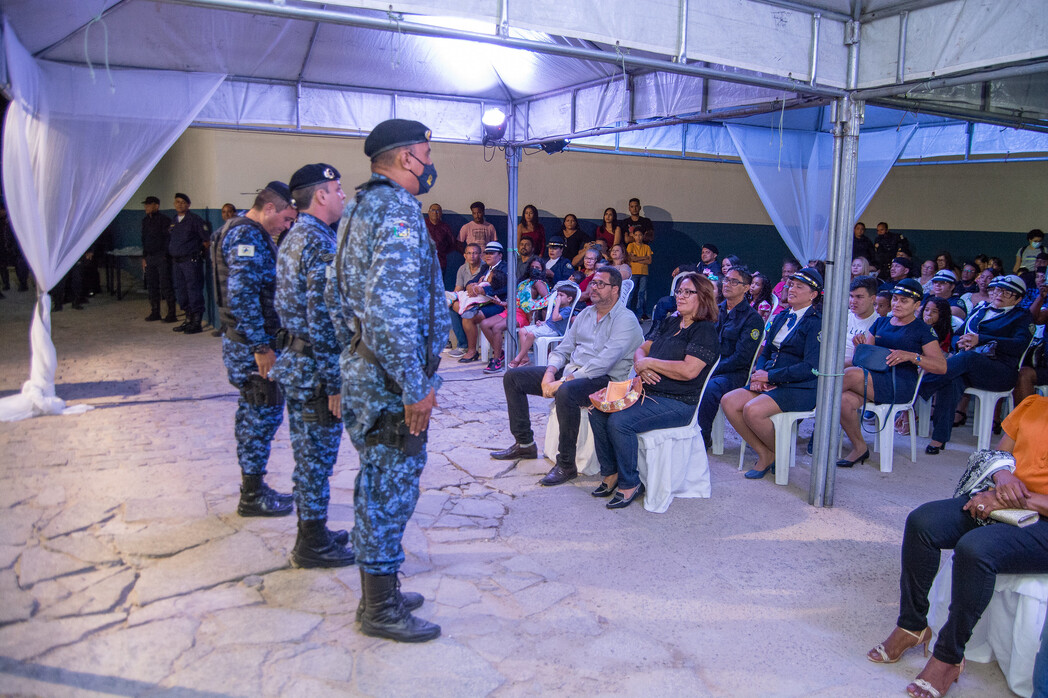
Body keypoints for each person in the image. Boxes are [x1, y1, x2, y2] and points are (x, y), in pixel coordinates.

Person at [333, 118, 447, 642]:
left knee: (377, 482)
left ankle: (380, 589)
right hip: (387, 378)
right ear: (406, 158)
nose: (429, 164)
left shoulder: (357, 206)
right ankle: (379, 608)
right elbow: (388, 307)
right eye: (425, 153)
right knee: (389, 487)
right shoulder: (398, 209)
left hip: (364, 366)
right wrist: (413, 384)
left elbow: (340, 298)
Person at [865, 394, 1048, 698]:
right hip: (1004, 502)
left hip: (1039, 519)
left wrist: (1012, 499)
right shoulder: (1033, 405)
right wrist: (1002, 477)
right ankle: (912, 626)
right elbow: (997, 455)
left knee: (976, 549)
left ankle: (949, 656)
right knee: (923, 523)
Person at [271, 163, 355, 568]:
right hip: (316, 370)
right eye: (337, 189)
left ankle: (315, 530)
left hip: (299, 361)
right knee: (316, 459)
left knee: (309, 456)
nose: (342, 196)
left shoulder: (295, 235)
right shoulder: (320, 243)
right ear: (320, 195)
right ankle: (310, 544)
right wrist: (336, 382)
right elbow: (322, 317)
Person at [492, 266, 644, 486]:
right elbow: (564, 348)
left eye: (601, 284)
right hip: (574, 371)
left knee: (566, 392)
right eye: (593, 283)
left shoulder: (625, 320)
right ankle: (524, 444)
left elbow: (602, 364)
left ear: (615, 290)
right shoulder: (585, 314)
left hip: (607, 379)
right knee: (513, 377)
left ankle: (566, 464)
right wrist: (550, 373)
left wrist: (560, 382)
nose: (594, 288)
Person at [589, 273, 719, 508]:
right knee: (597, 411)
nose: (680, 296)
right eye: (679, 291)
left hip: (679, 402)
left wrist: (651, 363)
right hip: (647, 392)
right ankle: (611, 473)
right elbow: (643, 347)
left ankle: (631, 483)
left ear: (704, 297)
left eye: (687, 292)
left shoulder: (704, 330)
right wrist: (641, 364)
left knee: (620, 422)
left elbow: (689, 371)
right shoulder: (672, 321)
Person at [212, 181, 298, 518]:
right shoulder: (246, 235)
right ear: (271, 208)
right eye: (287, 219)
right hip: (251, 346)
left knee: (257, 413)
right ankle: (251, 495)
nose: (287, 227)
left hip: (248, 341)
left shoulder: (239, 231)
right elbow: (243, 295)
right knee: (259, 415)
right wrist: (261, 346)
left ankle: (254, 486)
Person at [721, 267, 823, 480]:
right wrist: (760, 373)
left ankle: (779, 454)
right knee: (729, 401)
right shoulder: (782, 316)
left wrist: (771, 377)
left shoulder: (816, 323)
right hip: (770, 379)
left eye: (799, 286)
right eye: (791, 284)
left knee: (752, 411)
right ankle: (766, 452)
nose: (791, 289)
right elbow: (766, 350)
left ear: (813, 295)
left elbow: (810, 367)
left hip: (800, 386)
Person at [837, 278, 947, 466]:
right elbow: (863, 359)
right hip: (873, 380)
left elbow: (941, 367)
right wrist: (860, 348)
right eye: (895, 299)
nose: (896, 304)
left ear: (917, 305)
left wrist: (912, 357)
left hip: (900, 384)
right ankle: (859, 447)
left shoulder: (922, 330)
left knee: (850, 375)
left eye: (904, 301)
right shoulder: (881, 323)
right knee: (843, 400)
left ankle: (812, 403)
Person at [920, 274, 1033, 455]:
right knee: (952, 380)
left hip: (999, 370)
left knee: (967, 359)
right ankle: (939, 437)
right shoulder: (981, 309)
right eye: (996, 289)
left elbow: (1020, 344)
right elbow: (958, 332)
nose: (999, 294)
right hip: (969, 366)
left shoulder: (1021, 317)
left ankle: (918, 388)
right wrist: (961, 342)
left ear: (1018, 298)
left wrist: (981, 340)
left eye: (1007, 293)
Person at [697, 266, 763, 449]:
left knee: (709, 388)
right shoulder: (716, 310)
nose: (728, 284)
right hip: (712, 366)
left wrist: (711, 369)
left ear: (746, 287)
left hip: (733, 373)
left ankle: (703, 437)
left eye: (734, 282)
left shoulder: (752, 318)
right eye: (726, 280)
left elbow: (741, 358)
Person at [479, 257, 549, 374]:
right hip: (511, 310)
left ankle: (496, 361)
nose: (534, 269)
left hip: (523, 314)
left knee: (497, 328)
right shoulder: (524, 282)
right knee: (484, 324)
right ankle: (500, 353)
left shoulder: (539, 283)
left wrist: (532, 307)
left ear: (542, 270)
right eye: (532, 267)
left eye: (537, 268)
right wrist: (502, 303)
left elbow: (548, 299)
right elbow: (516, 300)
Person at [458, 241, 508, 366]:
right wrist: (470, 285)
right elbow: (473, 280)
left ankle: (491, 352)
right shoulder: (486, 267)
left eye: (492, 253)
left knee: (470, 316)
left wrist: (484, 290)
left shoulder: (505, 268)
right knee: (461, 310)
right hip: (484, 301)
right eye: (486, 253)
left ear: (500, 255)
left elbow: (506, 288)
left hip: (499, 303)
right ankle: (472, 350)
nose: (488, 256)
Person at [168, 192, 211, 334]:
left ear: (188, 205)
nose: (179, 204)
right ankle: (188, 319)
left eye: (183, 202)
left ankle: (196, 322)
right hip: (177, 263)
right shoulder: (174, 220)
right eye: (177, 202)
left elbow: (206, 241)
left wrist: (200, 255)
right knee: (181, 291)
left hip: (190, 262)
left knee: (193, 291)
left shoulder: (195, 220)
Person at [509, 282, 578, 368]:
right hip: (547, 326)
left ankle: (518, 358)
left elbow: (555, 318)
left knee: (531, 334)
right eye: (558, 295)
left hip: (554, 330)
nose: (558, 297)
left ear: (569, 299)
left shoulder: (567, 309)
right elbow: (550, 320)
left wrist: (557, 304)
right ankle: (525, 357)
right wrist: (543, 322)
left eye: (561, 295)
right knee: (522, 331)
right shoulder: (559, 307)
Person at [140, 196, 176, 323]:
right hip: (150, 257)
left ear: (156, 206)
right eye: (146, 205)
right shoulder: (145, 221)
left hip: (161, 257)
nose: (146, 207)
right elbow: (144, 240)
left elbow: (168, 239)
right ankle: (155, 312)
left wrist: (165, 255)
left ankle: (171, 313)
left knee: (165, 285)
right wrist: (144, 257)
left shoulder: (164, 220)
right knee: (152, 285)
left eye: (149, 205)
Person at [845, 276, 880, 365]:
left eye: (859, 297)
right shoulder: (843, 316)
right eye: (851, 296)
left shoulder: (879, 324)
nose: (853, 301)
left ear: (872, 299)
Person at [626, 227, 652, 320]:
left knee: (641, 294)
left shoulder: (647, 247)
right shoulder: (630, 246)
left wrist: (637, 258)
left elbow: (649, 261)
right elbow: (630, 259)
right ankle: (626, 313)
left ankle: (639, 315)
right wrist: (643, 258)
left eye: (640, 235)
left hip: (644, 273)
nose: (638, 237)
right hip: (633, 272)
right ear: (633, 235)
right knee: (630, 293)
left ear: (643, 236)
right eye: (636, 235)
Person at [424, 203, 457, 273]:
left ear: (441, 213)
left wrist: (442, 251)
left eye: (438, 211)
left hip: (440, 263)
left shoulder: (445, 227)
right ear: (428, 212)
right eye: (433, 210)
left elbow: (452, 243)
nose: (435, 213)